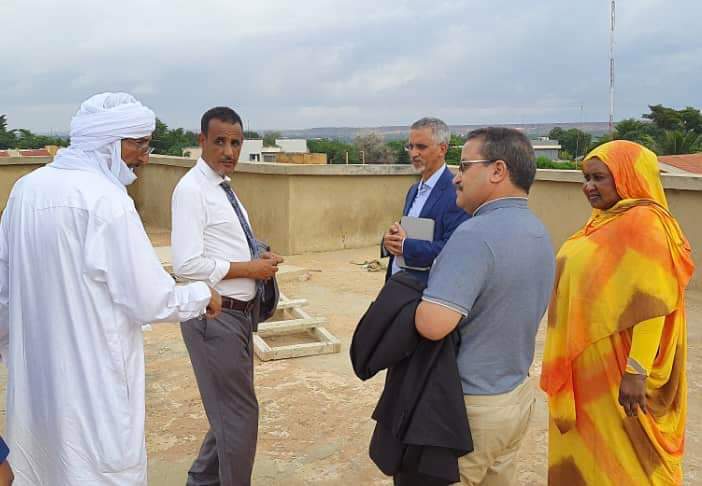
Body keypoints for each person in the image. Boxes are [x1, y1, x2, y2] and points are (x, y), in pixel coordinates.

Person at [0, 93, 221, 486]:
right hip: (94, 389)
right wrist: (201, 295)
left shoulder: (25, 190)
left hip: (37, 386)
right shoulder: (107, 200)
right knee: (98, 469)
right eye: (140, 144)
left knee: (44, 467)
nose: (145, 157)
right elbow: (149, 298)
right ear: (109, 142)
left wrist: (13, 350)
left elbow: (4, 292)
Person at [541, 140, 694, 485]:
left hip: (617, 369)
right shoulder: (604, 220)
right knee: (590, 456)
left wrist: (636, 372)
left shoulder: (645, 222)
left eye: (599, 178)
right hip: (589, 366)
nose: (588, 187)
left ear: (629, 176)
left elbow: (653, 303)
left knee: (622, 461)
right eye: (586, 178)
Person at [414, 127, 555, 485]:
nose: (457, 178)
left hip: (472, 407)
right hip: (515, 396)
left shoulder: (474, 234)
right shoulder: (538, 230)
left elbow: (432, 324)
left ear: (497, 170)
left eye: (465, 166)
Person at [171, 106, 283, 486]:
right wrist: (249, 270)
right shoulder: (192, 190)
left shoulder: (222, 187)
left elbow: (221, 246)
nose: (229, 151)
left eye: (235, 143)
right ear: (202, 140)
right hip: (213, 318)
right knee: (239, 417)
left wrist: (259, 257)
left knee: (228, 414)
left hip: (238, 318)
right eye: (219, 141)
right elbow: (186, 265)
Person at [382, 117, 468, 283]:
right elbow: (409, 234)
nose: (414, 153)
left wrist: (405, 246)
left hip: (426, 289)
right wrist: (389, 242)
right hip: (398, 284)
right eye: (410, 146)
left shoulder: (457, 193)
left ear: (442, 149)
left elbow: (452, 251)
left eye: (421, 147)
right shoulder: (414, 190)